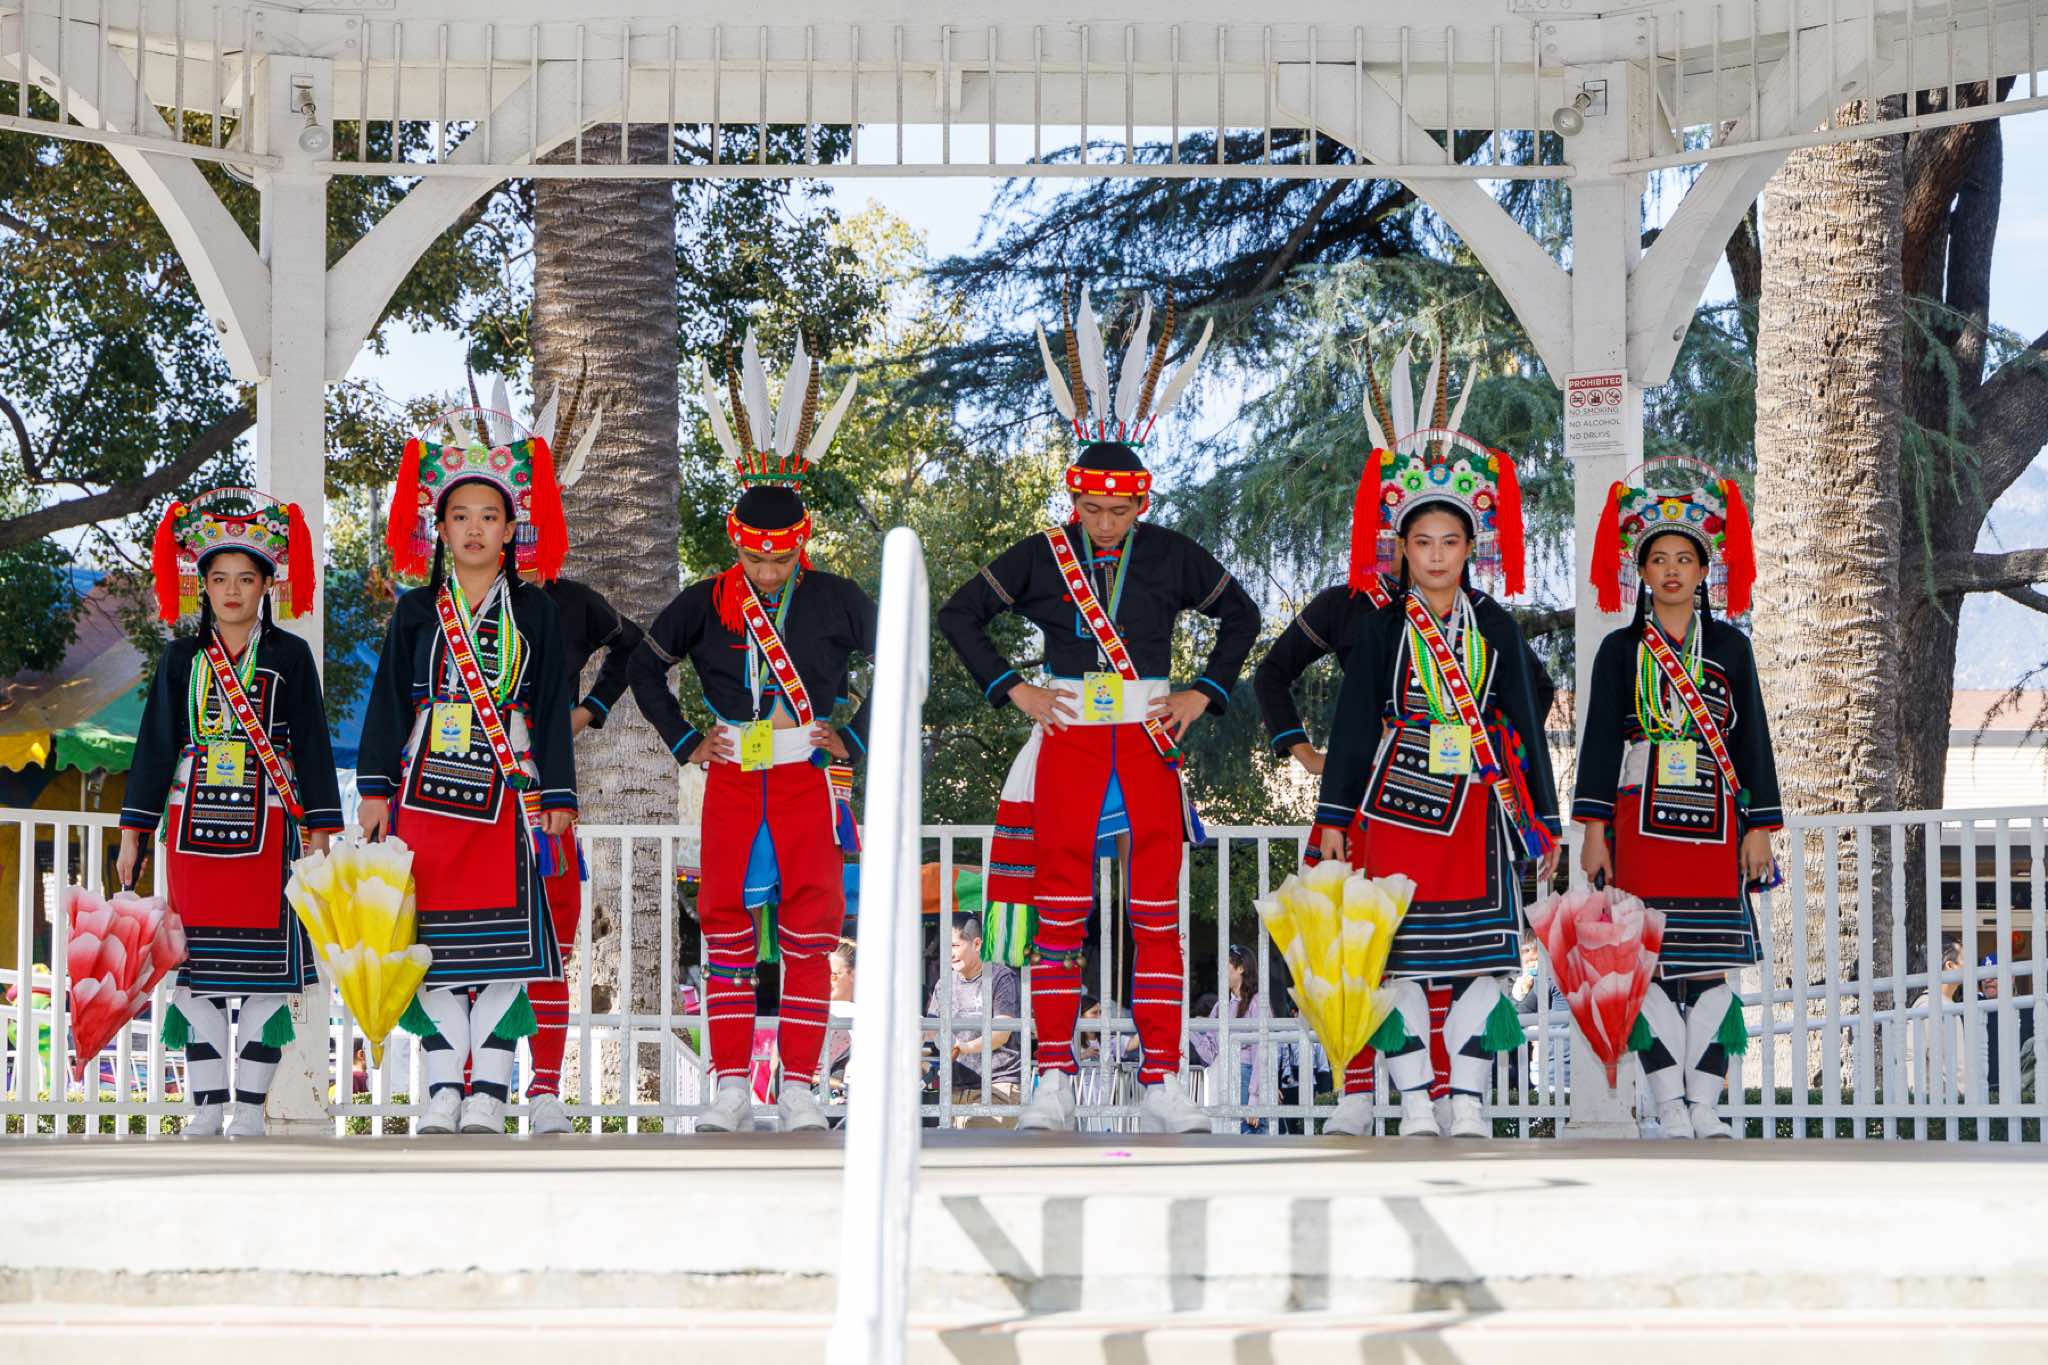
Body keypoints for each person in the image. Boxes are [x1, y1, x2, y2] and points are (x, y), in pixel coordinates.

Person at [937, 285, 1260, 1134]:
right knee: (1058, 915)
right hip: (1071, 734)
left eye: (1121, 509)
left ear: (1142, 501)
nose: (1106, 522)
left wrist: (1203, 691)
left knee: (1158, 917)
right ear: (1072, 498)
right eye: (1092, 508)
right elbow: (958, 614)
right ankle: (1050, 1078)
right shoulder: (1042, 556)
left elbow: (1244, 614)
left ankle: (1161, 1082)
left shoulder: (1172, 553)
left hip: (1149, 735)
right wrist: (1014, 689)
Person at [1252, 341, 1557, 1136]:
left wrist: (1544, 816)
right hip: (1391, 804)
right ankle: (1412, 1102)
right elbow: (1355, 724)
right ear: (1400, 542)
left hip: (1477, 807)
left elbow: (1530, 711)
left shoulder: (1495, 624)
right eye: (1422, 542)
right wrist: (1327, 800)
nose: (1436, 555)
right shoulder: (1378, 621)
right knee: (1398, 962)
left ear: (1470, 546)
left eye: (1450, 542)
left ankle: (1466, 1102)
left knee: (1486, 961)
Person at [629, 330, 873, 1135]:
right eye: (756, 560)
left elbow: (906, 661)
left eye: (781, 560)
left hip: (806, 774)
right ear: (736, 543)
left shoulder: (837, 598)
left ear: (802, 545)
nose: (768, 574)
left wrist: (853, 735)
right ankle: (730, 1084)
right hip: (732, 773)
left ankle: (800, 1086)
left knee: (810, 930)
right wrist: (685, 741)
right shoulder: (704, 600)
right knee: (727, 925)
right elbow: (643, 665)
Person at [357, 421, 580, 1136]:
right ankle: (441, 1091)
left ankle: (488, 1093)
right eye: (460, 516)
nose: (475, 528)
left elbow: (552, 706)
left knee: (505, 951)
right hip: (424, 793)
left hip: (508, 792)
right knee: (436, 951)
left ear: (513, 528)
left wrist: (560, 795)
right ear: (441, 528)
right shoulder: (415, 610)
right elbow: (389, 701)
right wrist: (373, 790)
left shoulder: (538, 611)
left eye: (489, 515)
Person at [119, 489, 342, 1137]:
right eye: (219, 578)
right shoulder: (180, 658)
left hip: (270, 832)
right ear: (203, 586)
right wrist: (135, 833)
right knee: (197, 976)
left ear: (268, 584)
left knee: (268, 976)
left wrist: (321, 830)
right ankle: (207, 1104)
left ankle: (248, 1108)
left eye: (246, 578)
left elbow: (314, 742)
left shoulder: (289, 656)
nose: (233, 591)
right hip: (193, 833)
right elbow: (155, 747)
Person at [1577, 460, 1780, 1140]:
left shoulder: (1730, 648)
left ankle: (1706, 1104)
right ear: (1641, 570)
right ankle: (1667, 1104)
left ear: (1703, 571)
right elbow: (1599, 744)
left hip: (1718, 824)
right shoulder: (1620, 650)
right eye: (1658, 559)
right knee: (1649, 966)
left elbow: (1752, 739)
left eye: (1684, 559)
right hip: (1640, 822)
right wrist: (1594, 829)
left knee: (1713, 969)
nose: (1671, 571)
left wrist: (1759, 826)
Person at [521, 573, 644, 1134]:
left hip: (543, 793)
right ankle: (469, 1089)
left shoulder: (569, 599)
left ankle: (544, 1089)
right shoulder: (444, 600)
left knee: (550, 941)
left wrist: (590, 708)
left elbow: (632, 643)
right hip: (461, 792)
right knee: (465, 941)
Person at [925, 914, 1023, 1126]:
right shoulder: (944, 983)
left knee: (975, 1139)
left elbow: (1001, 1033)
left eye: (954, 945)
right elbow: (931, 1031)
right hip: (954, 1091)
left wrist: (964, 1047)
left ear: (977, 944)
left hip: (997, 1086)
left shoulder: (1001, 978)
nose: (949, 954)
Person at [1190, 944, 1275, 1133]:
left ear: (1241, 968)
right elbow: (1211, 1054)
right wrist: (1190, 1030)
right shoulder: (1221, 1006)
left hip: (1246, 1077)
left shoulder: (1257, 1002)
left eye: (1225, 965)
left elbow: (1262, 1052)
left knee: (1248, 1138)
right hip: (1223, 1080)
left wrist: (1255, 1097)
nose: (1220, 971)